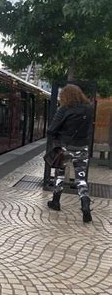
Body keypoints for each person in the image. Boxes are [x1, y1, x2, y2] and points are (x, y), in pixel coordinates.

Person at [46, 84, 94, 222]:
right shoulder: (89, 109)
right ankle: (85, 204)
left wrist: (58, 136)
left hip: (65, 147)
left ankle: (55, 202)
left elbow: (51, 129)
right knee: (81, 178)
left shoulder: (64, 109)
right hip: (82, 148)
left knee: (60, 174)